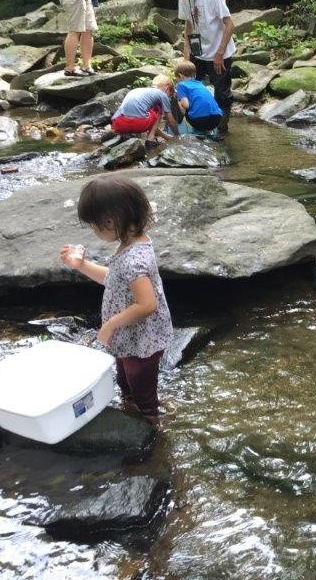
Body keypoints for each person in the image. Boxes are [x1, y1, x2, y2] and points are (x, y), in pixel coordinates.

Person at [60, 175, 174, 421]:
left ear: (110, 221)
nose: (93, 231)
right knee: (126, 378)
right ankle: (131, 402)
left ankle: (151, 422)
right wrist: (81, 265)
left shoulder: (135, 259)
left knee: (140, 383)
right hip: (130, 337)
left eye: (94, 225)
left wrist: (110, 324)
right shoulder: (131, 243)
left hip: (143, 338)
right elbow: (113, 279)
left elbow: (147, 304)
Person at [162, 0, 235, 134]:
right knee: (186, 86)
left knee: (222, 93)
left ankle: (221, 128)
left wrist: (219, 54)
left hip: (219, 51)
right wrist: (186, 53)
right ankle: (181, 126)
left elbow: (229, 24)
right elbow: (188, 23)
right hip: (198, 50)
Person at [110, 75, 180, 149]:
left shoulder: (138, 90)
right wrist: (177, 135)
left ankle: (113, 133)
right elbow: (171, 121)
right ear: (167, 87)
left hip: (118, 123)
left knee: (141, 111)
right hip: (139, 124)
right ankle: (150, 139)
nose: (169, 96)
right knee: (159, 108)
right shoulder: (162, 94)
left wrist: (165, 136)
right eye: (170, 93)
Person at [174, 60, 223, 134]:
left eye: (177, 78)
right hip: (217, 119)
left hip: (199, 121)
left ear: (180, 75)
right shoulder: (200, 84)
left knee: (181, 102)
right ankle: (209, 131)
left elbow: (186, 105)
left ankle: (197, 132)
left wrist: (177, 100)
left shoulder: (181, 85)